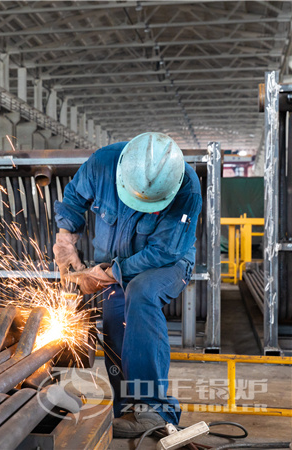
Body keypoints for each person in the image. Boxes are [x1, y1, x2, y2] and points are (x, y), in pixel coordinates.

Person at [53, 132, 202, 438]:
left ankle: (154, 409)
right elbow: (73, 200)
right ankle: (127, 409)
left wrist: (107, 275)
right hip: (112, 263)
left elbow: (165, 251)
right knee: (114, 322)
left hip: (167, 263)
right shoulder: (103, 163)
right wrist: (66, 239)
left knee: (140, 293)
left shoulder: (186, 187)